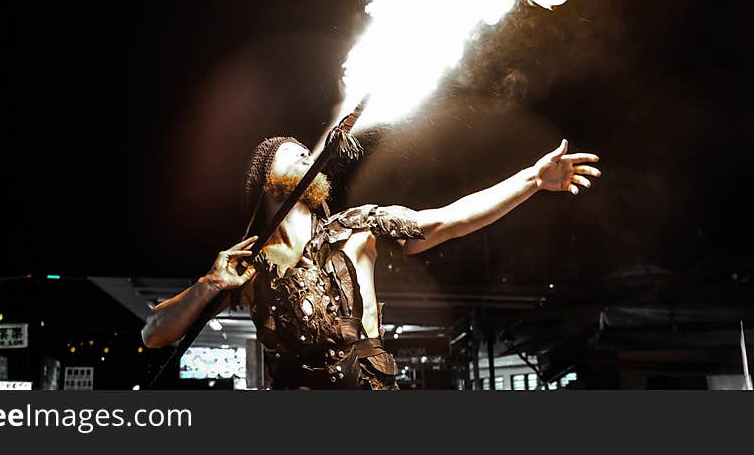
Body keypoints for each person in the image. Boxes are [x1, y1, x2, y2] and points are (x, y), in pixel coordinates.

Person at [141, 136, 600, 389]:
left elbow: (444, 222)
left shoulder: (355, 228)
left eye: (309, 149)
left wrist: (530, 180)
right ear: (266, 177)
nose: (308, 152)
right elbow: (153, 333)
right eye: (293, 150)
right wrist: (207, 285)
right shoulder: (247, 266)